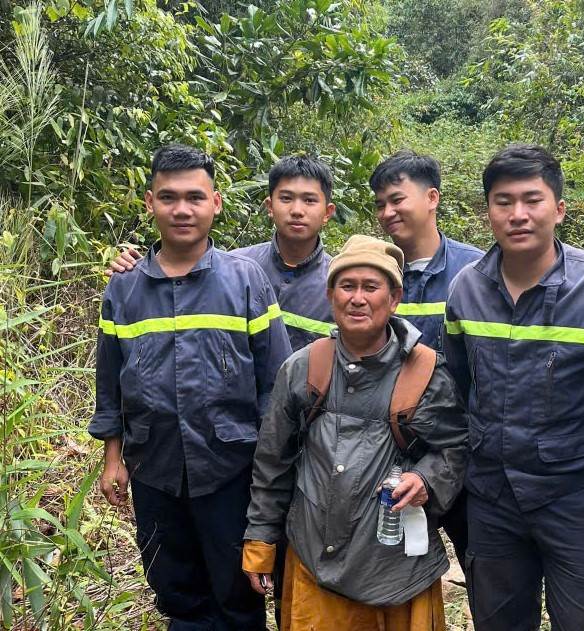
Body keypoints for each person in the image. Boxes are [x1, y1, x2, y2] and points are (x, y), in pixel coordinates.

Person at [90, 143, 291, 630]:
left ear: (215, 203)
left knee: (238, 593)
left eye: (195, 197)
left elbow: (276, 385)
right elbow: (110, 383)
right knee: (175, 591)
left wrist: (274, 472)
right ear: (150, 202)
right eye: (169, 197)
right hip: (154, 467)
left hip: (232, 469)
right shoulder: (124, 288)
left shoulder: (246, 281)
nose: (182, 209)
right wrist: (113, 457)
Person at [241, 235, 469, 631]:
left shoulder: (427, 372)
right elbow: (273, 462)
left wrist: (426, 479)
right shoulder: (303, 368)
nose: (357, 299)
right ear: (331, 295)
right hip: (313, 561)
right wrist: (260, 541)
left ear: (394, 298)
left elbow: (456, 446)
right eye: (347, 286)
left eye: (371, 287)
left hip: (399, 571)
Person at [442, 144, 584, 631]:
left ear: (559, 209)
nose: (517, 214)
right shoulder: (466, 289)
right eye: (503, 202)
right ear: (488, 211)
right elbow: (458, 387)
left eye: (532, 200)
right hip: (492, 499)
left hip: (578, 499)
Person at [370, 149, 483, 569]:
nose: (388, 212)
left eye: (397, 199)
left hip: (461, 447)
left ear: (432, 197)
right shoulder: (375, 271)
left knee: (482, 566)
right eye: (380, 204)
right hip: (393, 450)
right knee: (393, 568)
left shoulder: (475, 271)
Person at [106, 155, 337, 350]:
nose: (297, 210)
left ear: (327, 212)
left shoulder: (340, 283)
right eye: (286, 198)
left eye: (309, 200)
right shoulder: (238, 269)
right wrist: (144, 270)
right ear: (269, 206)